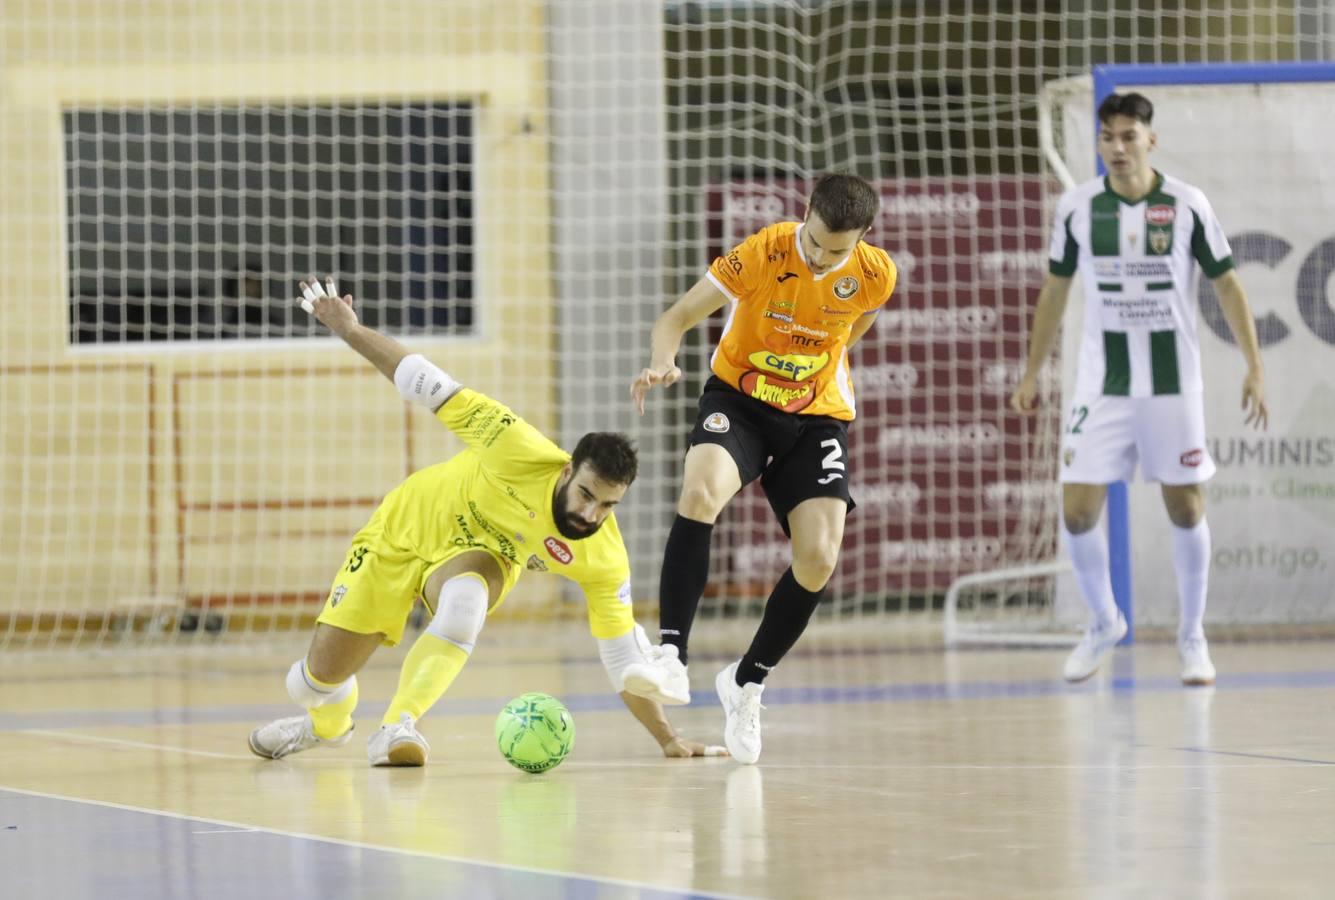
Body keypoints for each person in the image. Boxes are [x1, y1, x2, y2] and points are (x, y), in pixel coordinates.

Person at [249, 276, 723, 766]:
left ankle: (397, 726)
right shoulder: (514, 444)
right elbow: (422, 379)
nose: (590, 514)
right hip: (401, 530)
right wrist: (350, 329)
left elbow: (623, 660)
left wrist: (667, 738)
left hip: (476, 556)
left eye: (607, 505)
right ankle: (327, 723)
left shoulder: (602, 555)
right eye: (585, 495)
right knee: (310, 683)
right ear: (566, 471)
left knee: (464, 604)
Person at [631, 173, 898, 763]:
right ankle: (671, 654)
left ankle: (746, 682)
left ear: (864, 237)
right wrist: (662, 364)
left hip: (817, 417)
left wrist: (814, 367)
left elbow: (853, 329)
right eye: (817, 243)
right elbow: (672, 320)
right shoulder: (763, 252)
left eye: (838, 250)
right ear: (805, 214)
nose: (824, 258)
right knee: (701, 492)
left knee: (820, 557)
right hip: (740, 402)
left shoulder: (876, 273)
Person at [1009, 92, 1268, 686]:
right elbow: (1055, 291)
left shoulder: (1186, 204)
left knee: (1186, 504)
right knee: (1076, 512)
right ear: (1099, 144)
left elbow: (1228, 284)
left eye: (1129, 137)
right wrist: (1031, 372)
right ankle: (1104, 622)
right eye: (1108, 138)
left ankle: (1192, 635)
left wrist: (1254, 365)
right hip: (1101, 385)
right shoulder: (1077, 208)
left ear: (1151, 140)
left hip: (1172, 383)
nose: (1118, 148)